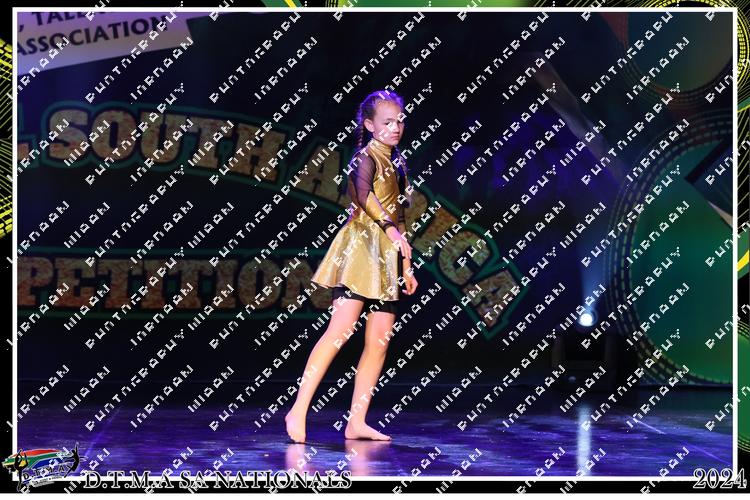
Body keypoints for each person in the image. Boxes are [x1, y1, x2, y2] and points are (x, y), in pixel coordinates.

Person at [284, 90, 418, 443]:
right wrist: (390, 230)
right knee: (339, 331)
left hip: (387, 256)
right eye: (387, 122)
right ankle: (298, 409)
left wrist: (407, 264)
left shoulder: (398, 163)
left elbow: (400, 215)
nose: (395, 128)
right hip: (360, 251)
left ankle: (357, 421)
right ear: (370, 125)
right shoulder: (365, 157)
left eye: (399, 121)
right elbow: (363, 196)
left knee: (379, 342)